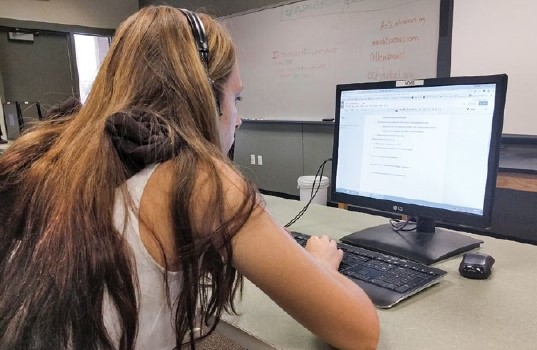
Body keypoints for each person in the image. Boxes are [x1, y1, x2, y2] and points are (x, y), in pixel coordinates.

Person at [0, 5, 379, 350]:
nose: (239, 117)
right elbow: (359, 332)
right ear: (203, 96)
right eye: (236, 99)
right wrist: (318, 265)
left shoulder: (57, 156)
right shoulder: (198, 181)